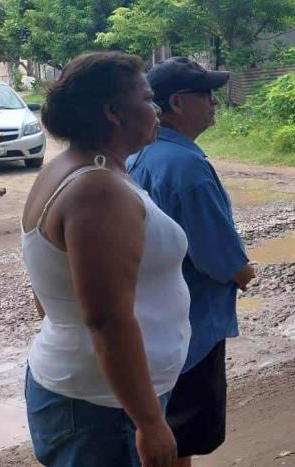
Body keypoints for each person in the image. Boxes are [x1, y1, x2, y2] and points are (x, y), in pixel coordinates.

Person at [20, 51, 190, 467]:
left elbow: (51, 288)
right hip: (103, 409)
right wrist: (149, 423)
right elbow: (106, 319)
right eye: (148, 99)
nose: (156, 110)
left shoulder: (80, 168)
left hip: (101, 397)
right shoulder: (99, 190)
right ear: (113, 112)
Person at [128, 57, 254, 466]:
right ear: (178, 103)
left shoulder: (141, 155)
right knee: (179, 439)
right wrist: (243, 272)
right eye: (206, 95)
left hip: (152, 325)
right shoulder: (186, 167)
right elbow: (218, 257)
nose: (214, 102)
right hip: (190, 330)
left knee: (163, 431)